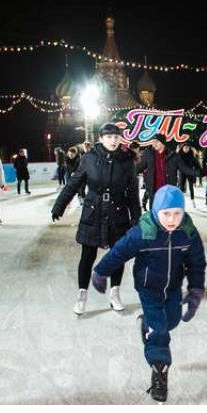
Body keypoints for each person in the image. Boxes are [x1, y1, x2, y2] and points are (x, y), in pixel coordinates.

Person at [92, 185, 206, 403]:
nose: (172, 219)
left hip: (173, 286)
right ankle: (160, 370)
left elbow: (196, 263)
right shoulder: (143, 232)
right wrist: (101, 272)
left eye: (177, 214)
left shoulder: (188, 233)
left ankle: (147, 325)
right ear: (156, 212)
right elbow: (119, 252)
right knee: (160, 330)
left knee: (171, 321)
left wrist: (195, 290)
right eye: (166, 214)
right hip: (148, 288)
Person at [51, 123, 141, 315]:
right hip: (94, 212)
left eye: (116, 137)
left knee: (118, 255)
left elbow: (133, 193)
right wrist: (60, 205)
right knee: (87, 256)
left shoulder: (127, 161)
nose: (113, 140)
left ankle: (114, 293)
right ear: (100, 138)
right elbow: (74, 183)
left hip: (118, 213)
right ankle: (82, 295)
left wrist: (136, 218)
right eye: (109, 137)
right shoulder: (89, 158)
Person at [137, 134, 197, 210]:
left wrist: (199, 172)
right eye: (153, 142)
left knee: (167, 213)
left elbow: (185, 169)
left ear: (163, 143)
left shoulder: (172, 155)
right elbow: (139, 167)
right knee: (154, 213)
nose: (154, 144)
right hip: (154, 191)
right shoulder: (148, 154)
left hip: (168, 191)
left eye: (156, 142)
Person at [177, 141, 200, 208]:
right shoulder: (179, 155)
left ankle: (193, 200)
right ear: (182, 148)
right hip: (182, 173)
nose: (186, 149)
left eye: (188, 148)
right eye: (185, 148)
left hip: (190, 173)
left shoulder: (191, 156)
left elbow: (196, 165)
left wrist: (197, 173)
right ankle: (179, 202)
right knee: (181, 187)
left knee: (191, 187)